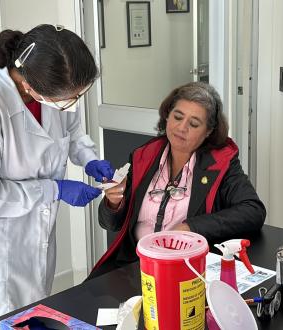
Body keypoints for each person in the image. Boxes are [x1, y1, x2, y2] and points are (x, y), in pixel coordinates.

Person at [0, 24, 115, 321]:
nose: (70, 103)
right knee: (2, 320)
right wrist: (56, 190)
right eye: (68, 97)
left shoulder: (48, 92)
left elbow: (71, 132)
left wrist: (89, 158)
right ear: (29, 83)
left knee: (33, 313)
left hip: (35, 235)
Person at [90, 82, 266, 278]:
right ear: (167, 115)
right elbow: (110, 224)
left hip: (185, 269)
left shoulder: (221, 163)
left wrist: (191, 227)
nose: (181, 128)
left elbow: (253, 211)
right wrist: (113, 203)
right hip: (133, 266)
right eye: (177, 117)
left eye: (193, 124)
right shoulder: (144, 155)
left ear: (208, 131)